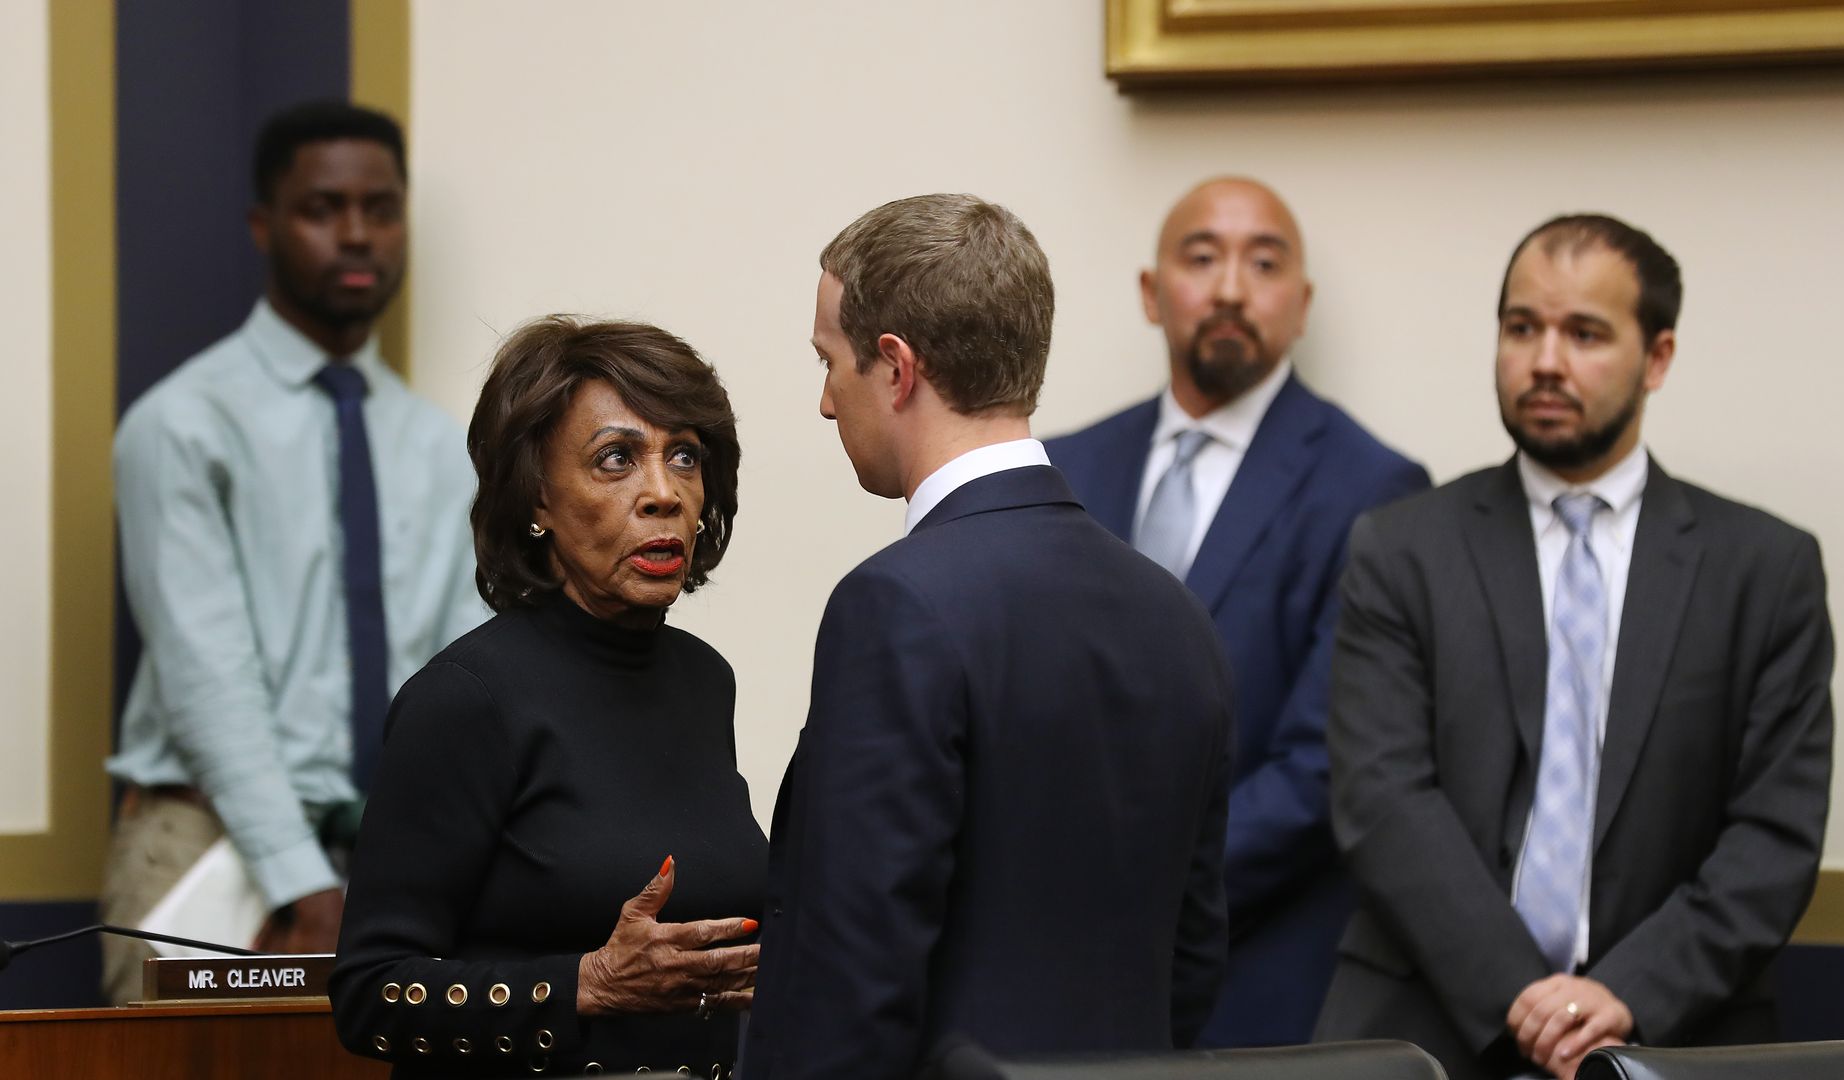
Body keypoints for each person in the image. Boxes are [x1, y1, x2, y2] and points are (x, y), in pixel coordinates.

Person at [1313, 214, 1833, 1080]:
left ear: (1657, 357)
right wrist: (1529, 998)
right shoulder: (1402, 548)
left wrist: (1629, 991)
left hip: (1676, 1028)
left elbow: (1774, 836)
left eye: (1584, 334)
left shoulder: (1764, 570)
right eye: (1522, 328)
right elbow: (1381, 797)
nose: (1545, 361)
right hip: (1428, 1027)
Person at [742, 194, 1236, 1080]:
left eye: (830, 362)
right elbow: (1192, 955)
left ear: (897, 367)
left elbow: (856, 965)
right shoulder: (1176, 615)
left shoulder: (895, 604)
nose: (824, 402)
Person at [101, 101, 488, 1003]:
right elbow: (207, 677)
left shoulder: (441, 448)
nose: (356, 235)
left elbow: (463, 677)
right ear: (263, 226)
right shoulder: (181, 424)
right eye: (322, 209)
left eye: (381, 209)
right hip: (207, 847)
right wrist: (300, 882)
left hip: (391, 858)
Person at [1048, 177, 1429, 1046]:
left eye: (1263, 263)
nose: (1229, 288)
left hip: (1255, 973)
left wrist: (1139, 889)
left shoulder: (1371, 487)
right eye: (1201, 257)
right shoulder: (1063, 468)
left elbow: (1327, 762)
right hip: (1048, 966)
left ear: (1302, 304)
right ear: (1152, 293)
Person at [330, 317, 766, 1077]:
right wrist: (585, 985)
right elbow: (370, 995)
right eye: (616, 459)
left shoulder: (704, 680)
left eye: (685, 457)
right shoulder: (465, 700)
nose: (663, 493)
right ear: (537, 498)